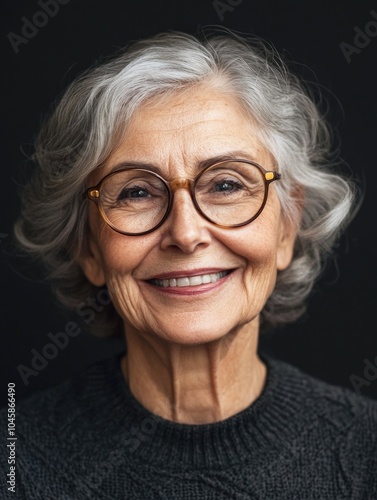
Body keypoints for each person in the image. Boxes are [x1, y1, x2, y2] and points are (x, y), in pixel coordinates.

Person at [1, 29, 376, 499]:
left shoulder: (366, 452)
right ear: (89, 249)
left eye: (225, 185)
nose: (185, 233)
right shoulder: (15, 460)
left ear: (286, 227)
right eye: (136, 191)